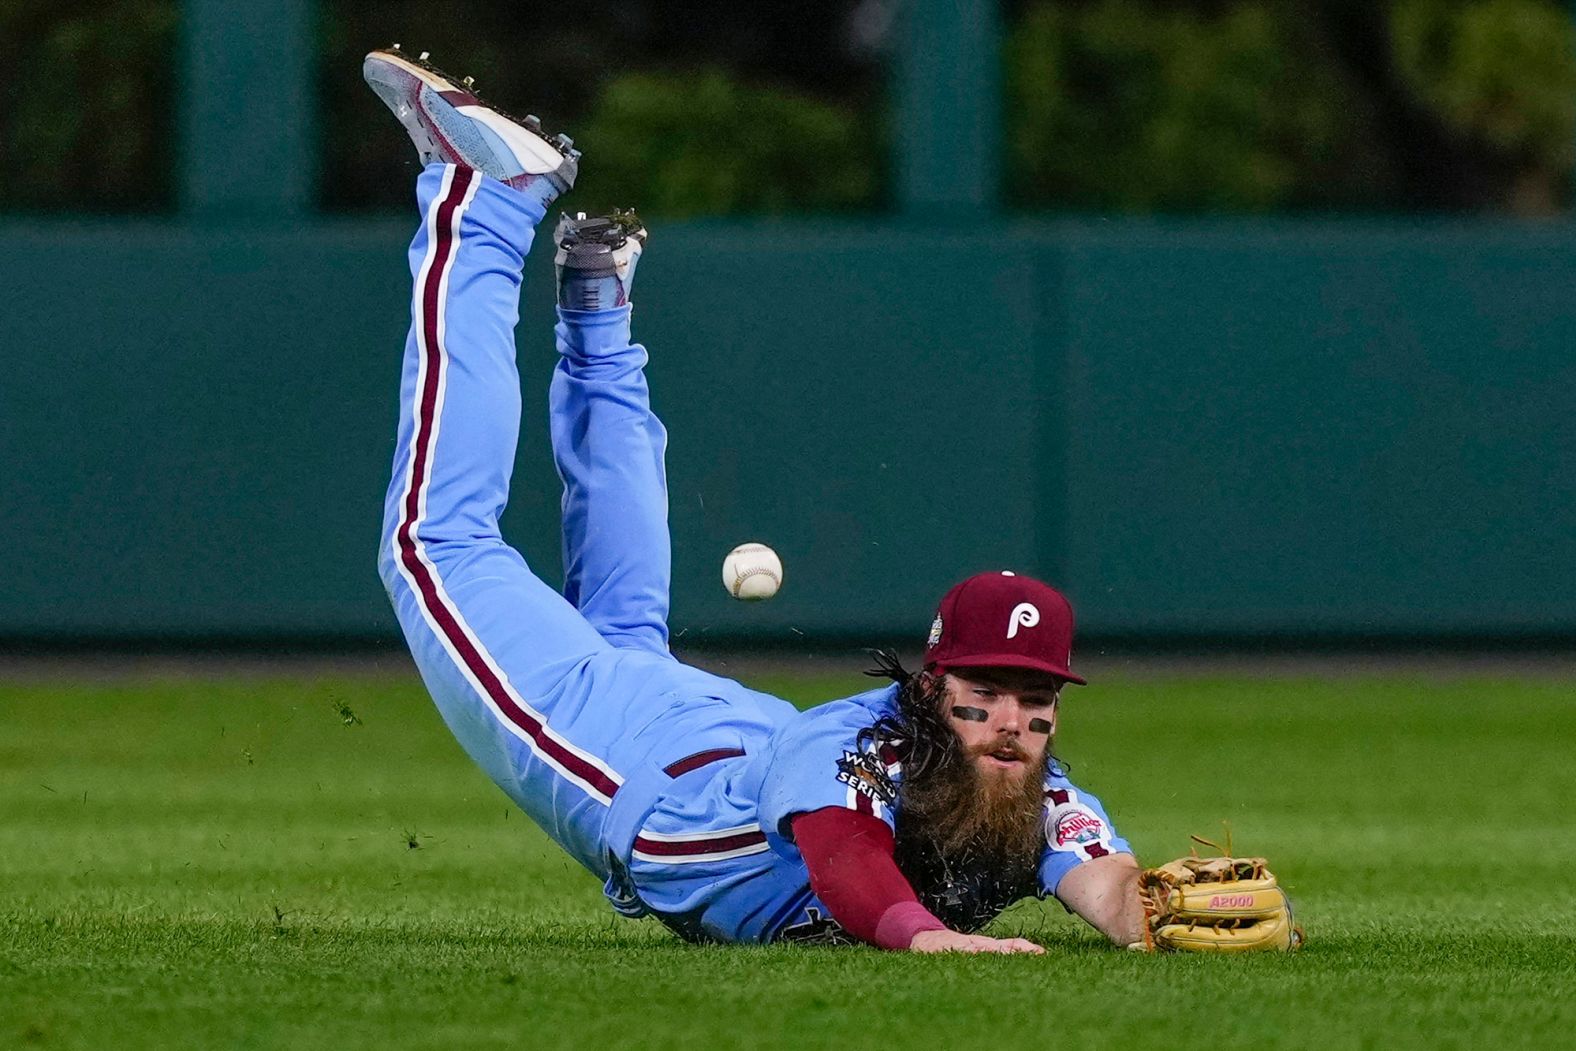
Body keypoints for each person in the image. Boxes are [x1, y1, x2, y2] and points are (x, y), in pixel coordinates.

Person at [366, 45, 1145, 953]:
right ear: (934, 688)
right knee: (435, 544)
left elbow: (1106, 876)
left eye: (1034, 696)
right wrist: (927, 938)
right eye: (988, 690)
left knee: (624, 639)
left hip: (711, 736)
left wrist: (1155, 914)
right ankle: (485, 200)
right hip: (643, 767)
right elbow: (846, 856)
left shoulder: (1035, 789)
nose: (1013, 720)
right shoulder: (860, 748)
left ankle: (596, 304)